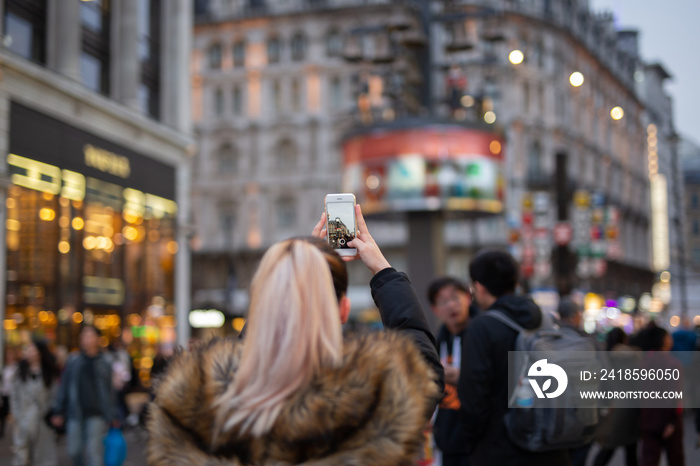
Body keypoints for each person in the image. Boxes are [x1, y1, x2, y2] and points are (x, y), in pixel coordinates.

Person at [147, 205, 444, 465]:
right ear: (342, 311)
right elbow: (424, 371)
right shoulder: (369, 401)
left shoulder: (198, 409)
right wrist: (383, 271)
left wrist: (290, 277)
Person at [457, 249, 570, 465]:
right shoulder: (545, 320)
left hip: (503, 450)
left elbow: (473, 400)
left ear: (479, 287)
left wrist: (474, 445)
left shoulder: (482, 328)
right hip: (552, 445)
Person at [52, 325, 117, 466]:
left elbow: (110, 390)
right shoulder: (74, 361)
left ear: (97, 339)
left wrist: (113, 414)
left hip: (97, 413)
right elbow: (64, 387)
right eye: (83, 335)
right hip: (75, 412)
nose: (85, 338)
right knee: (73, 450)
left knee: (94, 453)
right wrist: (58, 410)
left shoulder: (105, 362)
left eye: (89, 335)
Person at [428, 277, 472, 466]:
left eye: (455, 298)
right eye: (443, 301)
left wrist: (461, 376)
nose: (451, 306)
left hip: (476, 443)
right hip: (445, 440)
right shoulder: (436, 342)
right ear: (435, 309)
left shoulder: (482, 335)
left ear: (468, 298)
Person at [593, 327, 641, 466]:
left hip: (612, 408)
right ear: (625, 339)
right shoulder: (634, 357)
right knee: (631, 450)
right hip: (630, 409)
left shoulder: (604, 357)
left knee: (609, 447)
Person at [639, 326, 684, 466]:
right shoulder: (672, 363)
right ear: (663, 340)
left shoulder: (643, 362)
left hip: (648, 419)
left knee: (649, 459)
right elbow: (674, 395)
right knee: (675, 458)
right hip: (667, 418)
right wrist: (672, 421)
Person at [10, 339, 58, 466]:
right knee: (22, 457)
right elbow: (14, 396)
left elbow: (54, 396)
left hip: (42, 423)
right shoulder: (20, 372)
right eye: (28, 349)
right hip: (23, 422)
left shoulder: (48, 375)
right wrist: (17, 416)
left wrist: (50, 413)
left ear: (39, 353)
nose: (28, 352)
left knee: (44, 458)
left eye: (32, 348)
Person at [1, 347, 19, 438]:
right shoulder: (4, 367)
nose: (9, 357)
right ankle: (2, 431)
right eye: (8, 355)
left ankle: (16, 434)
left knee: (14, 413)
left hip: (13, 394)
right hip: (5, 393)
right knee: (3, 413)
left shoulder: (16, 367)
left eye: (11, 355)